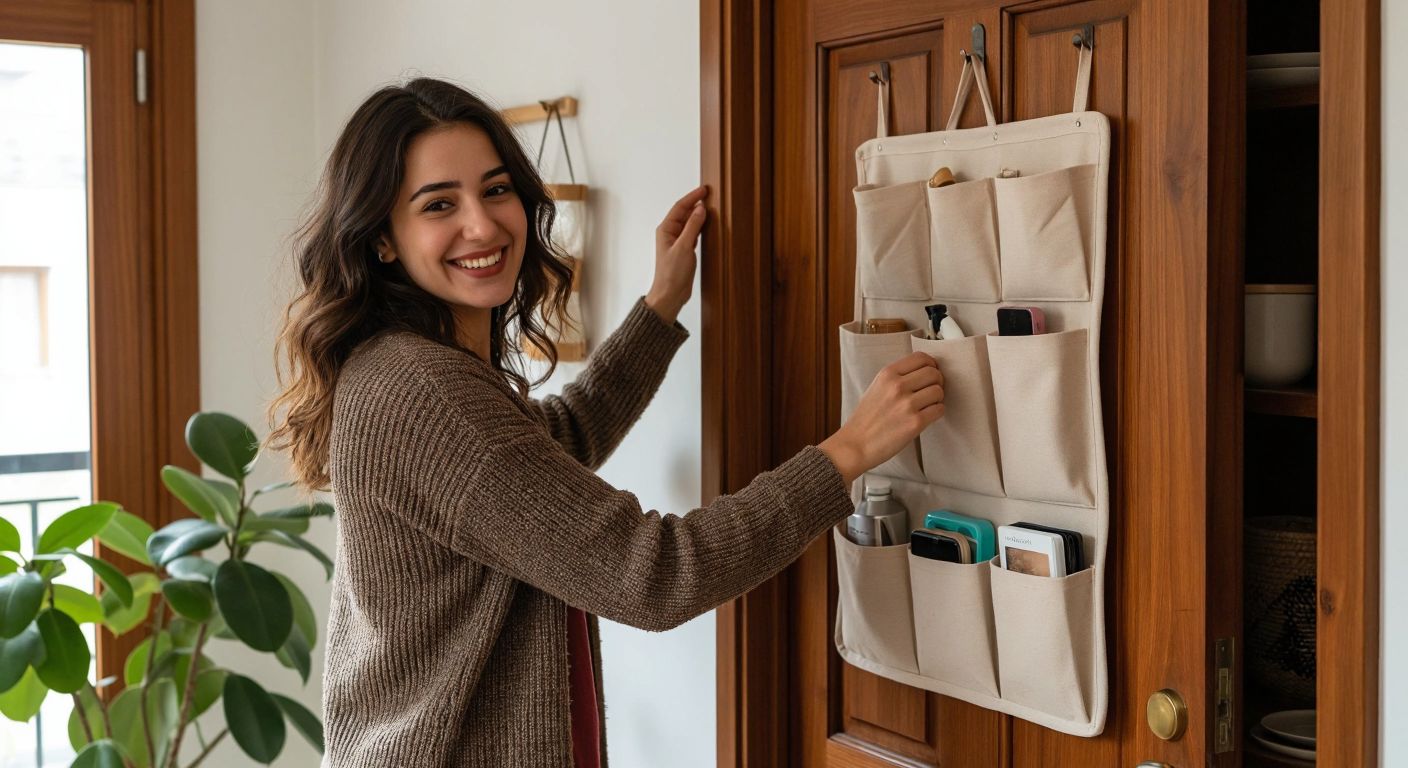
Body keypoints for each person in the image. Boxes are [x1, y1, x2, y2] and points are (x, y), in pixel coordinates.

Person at [268, 77, 945, 767]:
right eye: (440, 204)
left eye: (496, 189)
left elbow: (555, 445)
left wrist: (659, 308)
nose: (482, 224)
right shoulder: (422, 389)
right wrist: (848, 451)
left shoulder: (410, 368)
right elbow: (652, 576)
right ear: (383, 238)